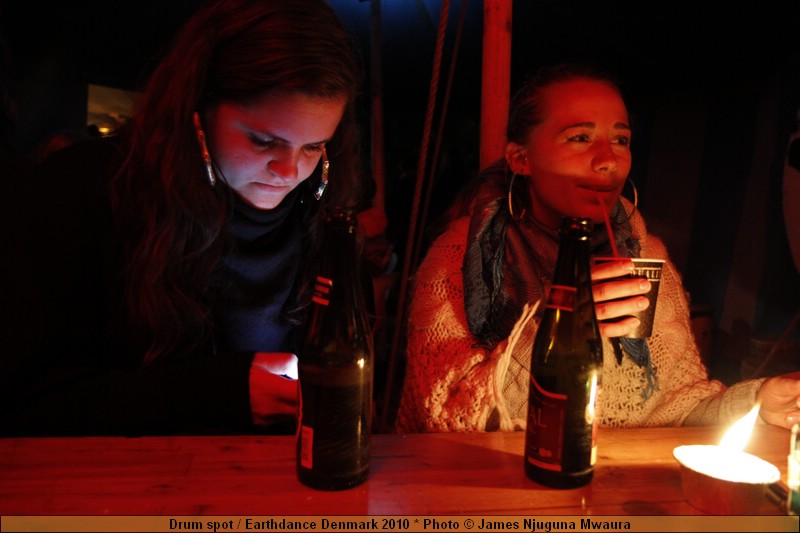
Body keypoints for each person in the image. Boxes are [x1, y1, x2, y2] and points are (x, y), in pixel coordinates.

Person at [1, 0, 364, 436]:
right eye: (264, 141)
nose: (290, 173)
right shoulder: (83, 191)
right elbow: (26, 407)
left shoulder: (328, 222)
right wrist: (219, 392)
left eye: (313, 146)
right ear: (196, 112)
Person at [395, 63, 800, 433]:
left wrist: (755, 403)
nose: (608, 160)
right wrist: (560, 327)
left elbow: (679, 408)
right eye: (581, 137)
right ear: (521, 159)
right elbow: (445, 418)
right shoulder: (459, 257)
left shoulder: (644, 254)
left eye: (620, 139)